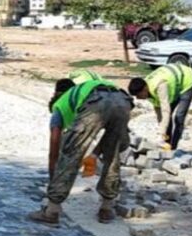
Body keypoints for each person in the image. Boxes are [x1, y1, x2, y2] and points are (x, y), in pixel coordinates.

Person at [29, 73, 134, 226]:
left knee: (71, 154)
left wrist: (53, 181)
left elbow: (55, 152)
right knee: (114, 153)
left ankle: (52, 211)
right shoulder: (79, 93)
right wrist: (95, 153)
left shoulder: (59, 107)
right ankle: (107, 208)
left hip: (97, 102)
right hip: (122, 100)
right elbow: (109, 141)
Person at [128, 63, 192, 151]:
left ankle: (173, 149)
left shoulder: (159, 86)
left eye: (138, 95)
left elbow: (165, 110)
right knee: (166, 119)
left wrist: (161, 135)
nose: (138, 98)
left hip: (189, 80)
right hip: (176, 84)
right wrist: (162, 133)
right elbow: (160, 113)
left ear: (145, 89)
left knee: (179, 116)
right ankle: (167, 146)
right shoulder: (147, 92)